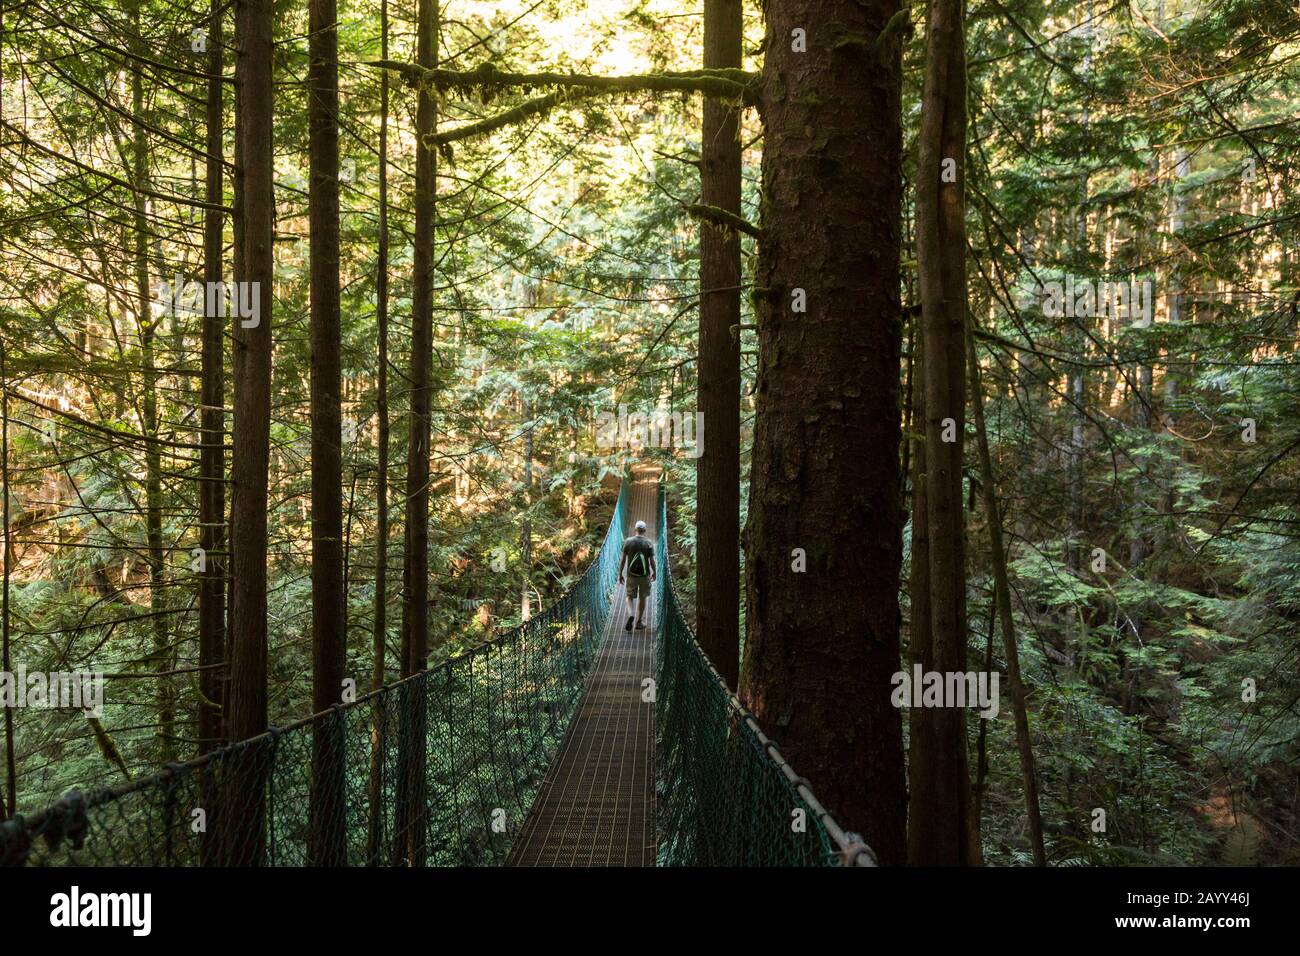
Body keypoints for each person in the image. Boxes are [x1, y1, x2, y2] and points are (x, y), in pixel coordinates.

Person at [618, 519, 656, 630]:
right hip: (644, 576)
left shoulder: (628, 541)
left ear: (635, 529)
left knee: (629, 597)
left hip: (631, 575)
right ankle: (639, 622)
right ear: (644, 530)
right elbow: (652, 561)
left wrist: (620, 574)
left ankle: (631, 614)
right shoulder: (649, 543)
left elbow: (623, 560)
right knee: (643, 597)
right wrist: (655, 572)